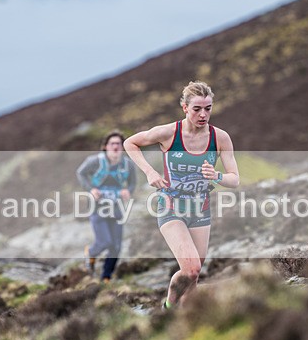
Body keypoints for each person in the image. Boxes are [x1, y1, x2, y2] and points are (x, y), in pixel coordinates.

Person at [124, 80, 239, 309]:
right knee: (192, 268)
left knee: (193, 277)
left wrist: (216, 176)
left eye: (208, 108)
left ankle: (185, 319)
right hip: (171, 207)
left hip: (200, 210)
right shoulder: (168, 133)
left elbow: (234, 179)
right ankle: (168, 307)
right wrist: (150, 172)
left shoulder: (220, 138)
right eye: (197, 109)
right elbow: (131, 143)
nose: (203, 114)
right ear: (185, 108)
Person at [76, 131, 137, 282]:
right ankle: (90, 253)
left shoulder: (128, 164)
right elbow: (81, 173)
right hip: (97, 207)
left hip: (117, 208)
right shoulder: (95, 161)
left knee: (116, 247)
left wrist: (127, 191)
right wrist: (91, 189)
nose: (116, 147)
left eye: (119, 144)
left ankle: (106, 278)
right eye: (112, 144)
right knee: (105, 242)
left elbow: (132, 183)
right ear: (105, 147)